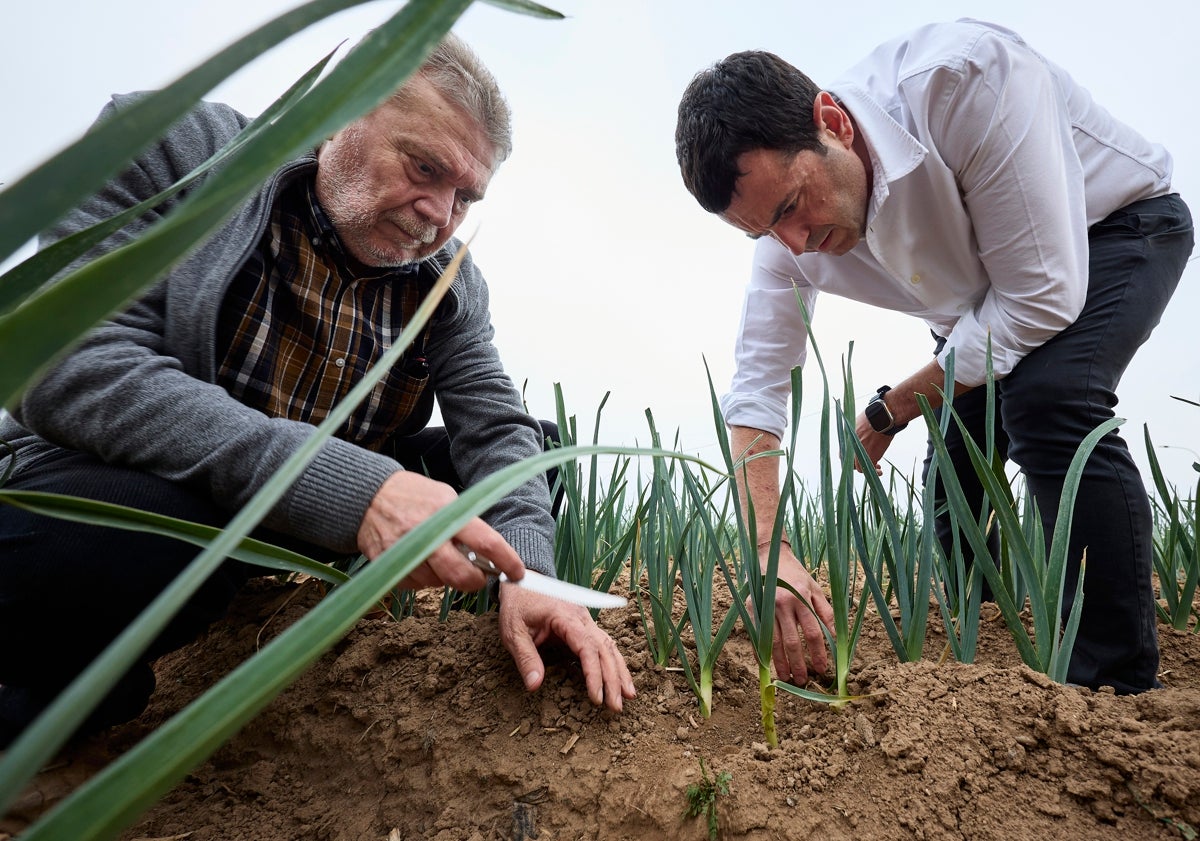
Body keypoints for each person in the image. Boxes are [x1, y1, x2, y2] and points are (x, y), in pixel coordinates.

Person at [0, 32, 634, 748]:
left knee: (533, 458)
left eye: (465, 196)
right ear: (339, 112)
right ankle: (42, 734)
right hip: (121, 485)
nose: (440, 214)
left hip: (292, 509)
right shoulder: (179, 150)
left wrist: (533, 570)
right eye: (424, 168)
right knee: (155, 526)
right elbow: (63, 362)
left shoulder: (450, 286)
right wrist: (354, 488)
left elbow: (494, 430)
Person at [674, 19, 1193, 693]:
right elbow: (757, 391)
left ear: (833, 122)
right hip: (982, 303)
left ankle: (1113, 687)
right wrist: (767, 549)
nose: (795, 244)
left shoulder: (961, 83)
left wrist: (892, 407)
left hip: (1114, 232)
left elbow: (1040, 299)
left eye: (794, 206)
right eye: (764, 231)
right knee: (955, 458)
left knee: (1051, 397)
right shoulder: (785, 247)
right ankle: (975, 642)